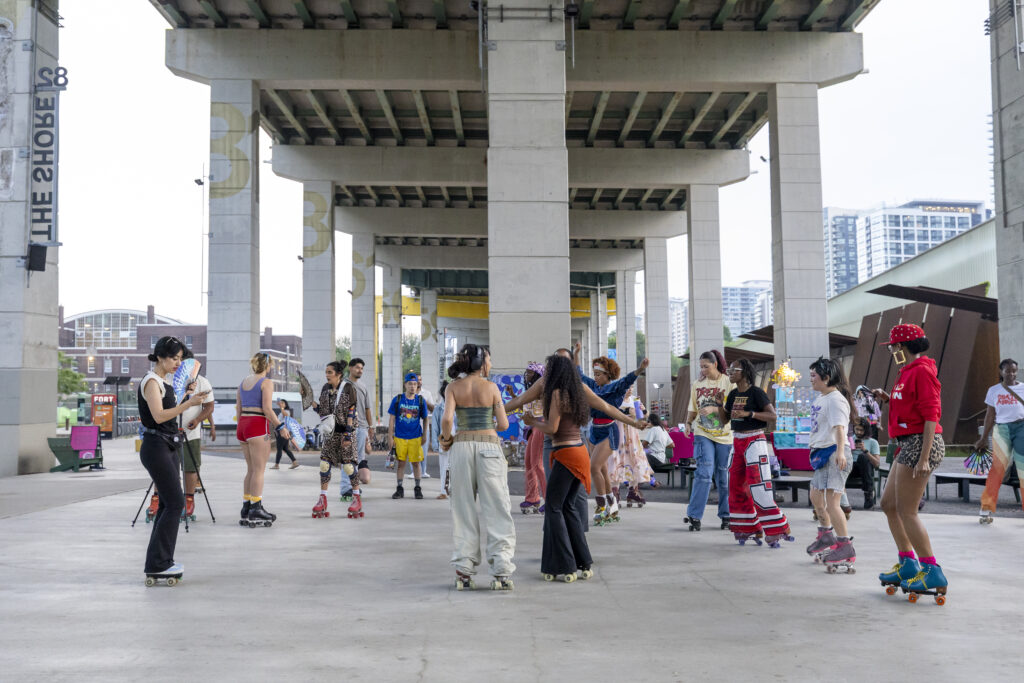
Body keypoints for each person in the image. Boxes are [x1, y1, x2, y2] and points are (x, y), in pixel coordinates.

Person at [504, 346, 645, 532]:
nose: (559, 365)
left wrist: (633, 422)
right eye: (557, 360)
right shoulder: (550, 385)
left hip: (571, 446)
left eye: (564, 361)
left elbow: (607, 407)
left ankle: (579, 531)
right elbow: (519, 401)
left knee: (564, 499)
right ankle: (579, 542)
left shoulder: (571, 388)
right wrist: (494, 411)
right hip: (567, 444)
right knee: (565, 499)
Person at [872, 324, 948, 600]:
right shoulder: (906, 373)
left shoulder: (923, 372)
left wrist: (924, 457)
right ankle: (907, 563)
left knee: (907, 510)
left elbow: (931, 416)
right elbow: (911, 407)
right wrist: (888, 398)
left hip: (920, 444)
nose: (892, 351)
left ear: (903, 347)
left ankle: (931, 570)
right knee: (888, 505)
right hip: (907, 443)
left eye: (893, 346)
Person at [440, 344, 515, 590]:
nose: (490, 365)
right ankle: (502, 569)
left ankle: (464, 568)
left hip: (461, 447)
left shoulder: (453, 387)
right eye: (489, 361)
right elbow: (503, 425)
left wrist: (445, 438)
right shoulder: (491, 387)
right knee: (497, 506)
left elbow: (448, 418)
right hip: (489, 448)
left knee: (462, 508)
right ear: (481, 363)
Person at [138, 336, 209, 582]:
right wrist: (189, 403)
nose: (178, 363)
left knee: (170, 504)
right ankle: (158, 562)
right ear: (160, 356)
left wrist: (184, 397)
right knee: (175, 503)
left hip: (167, 444)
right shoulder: (151, 381)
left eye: (180, 358)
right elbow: (158, 416)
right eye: (173, 358)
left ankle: (159, 561)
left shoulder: (164, 381)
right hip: (156, 445)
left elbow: (168, 410)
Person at [522, 354, 594, 583]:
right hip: (580, 454)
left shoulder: (556, 393)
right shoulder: (576, 393)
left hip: (566, 456)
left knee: (553, 507)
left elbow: (552, 428)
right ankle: (584, 563)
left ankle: (565, 564)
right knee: (569, 507)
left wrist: (532, 421)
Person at [717, 359, 792, 547]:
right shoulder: (733, 394)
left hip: (755, 441)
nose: (730, 373)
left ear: (745, 372)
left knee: (759, 485)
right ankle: (747, 528)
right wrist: (719, 404)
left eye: (734, 370)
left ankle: (776, 530)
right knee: (734, 484)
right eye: (729, 370)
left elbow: (773, 416)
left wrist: (750, 414)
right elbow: (724, 420)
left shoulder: (757, 393)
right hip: (738, 441)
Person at [803, 357, 857, 570]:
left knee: (832, 503)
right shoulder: (820, 399)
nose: (811, 380)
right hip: (821, 454)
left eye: (814, 376)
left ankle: (845, 546)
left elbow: (839, 427)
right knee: (815, 496)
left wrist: (841, 453)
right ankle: (826, 535)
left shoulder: (835, 399)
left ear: (826, 377)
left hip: (835, 453)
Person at [585, 355, 649, 526]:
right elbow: (578, 376)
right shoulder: (592, 387)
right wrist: (574, 357)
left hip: (613, 431)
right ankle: (612, 504)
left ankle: (601, 505)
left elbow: (627, 381)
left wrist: (640, 369)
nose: (596, 377)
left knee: (594, 466)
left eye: (599, 374)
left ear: (608, 375)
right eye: (595, 374)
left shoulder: (619, 391)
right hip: (595, 431)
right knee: (604, 470)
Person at [682, 349, 733, 531]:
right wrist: (688, 423)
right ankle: (694, 515)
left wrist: (713, 409)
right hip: (702, 432)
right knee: (703, 473)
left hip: (724, 435)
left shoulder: (728, 382)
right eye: (701, 366)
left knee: (723, 477)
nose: (703, 369)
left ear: (716, 364)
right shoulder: (697, 384)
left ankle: (726, 515)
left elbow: (732, 409)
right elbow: (693, 406)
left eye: (706, 366)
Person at [236, 352, 289, 527]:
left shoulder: (243, 383)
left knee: (250, 470)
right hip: (257, 425)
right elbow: (267, 408)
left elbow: (239, 407)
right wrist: (280, 427)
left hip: (243, 425)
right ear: (268, 366)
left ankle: (246, 507)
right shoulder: (266, 383)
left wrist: (240, 429)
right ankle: (256, 508)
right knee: (259, 470)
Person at [311, 361, 363, 518]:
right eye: (326, 372)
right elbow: (323, 413)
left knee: (348, 467)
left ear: (338, 374)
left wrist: (347, 433)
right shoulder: (325, 389)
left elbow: (351, 412)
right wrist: (310, 402)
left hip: (346, 432)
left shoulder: (348, 389)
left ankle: (356, 497)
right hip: (330, 434)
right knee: (324, 464)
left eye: (329, 372)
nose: (326, 375)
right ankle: (322, 498)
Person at [975, 358, 1024, 524]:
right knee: (997, 468)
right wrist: (983, 438)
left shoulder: (1023, 387)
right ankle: (986, 508)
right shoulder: (994, 390)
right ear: (1000, 372)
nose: (1011, 374)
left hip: (1021, 428)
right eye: (1007, 371)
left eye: (1014, 371)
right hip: (1002, 429)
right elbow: (990, 415)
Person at [178, 347, 215, 521]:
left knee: (191, 468)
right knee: (165, 467)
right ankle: (157, 500)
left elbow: (209, 406)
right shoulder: (169, 379)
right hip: (168, 431)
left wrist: (198, 420)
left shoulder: (202, 382)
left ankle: (189, 500)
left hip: (191, 433)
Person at [388, 372, 430, 499]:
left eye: (415, 384)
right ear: (405, 384)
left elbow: (426, 418)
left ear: (417, 385)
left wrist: (425, 435)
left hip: (415, 437)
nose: (412, 386)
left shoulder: (420, 400)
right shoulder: (398, 399)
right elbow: (391, 419)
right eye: (410, 384)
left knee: (416, 463)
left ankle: (417, 488)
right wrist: (390, 436)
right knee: (401, 463)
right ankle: (399, 488)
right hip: (400, 437)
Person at [610, 388, 654, 508]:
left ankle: (633, 491)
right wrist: (626, 411)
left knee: (635, 460)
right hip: (618, 433)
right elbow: (610, 412)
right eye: (626, 387)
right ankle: (615, 493)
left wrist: (643, 410)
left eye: (630, 387)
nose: (629, 390)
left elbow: (644, 416)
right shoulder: (614, 398)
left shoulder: (634, 399)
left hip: (632, 435)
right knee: (617, 461)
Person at [338, 358, 374, 501]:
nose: (360, 370)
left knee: (357, 459)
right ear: (351, 368)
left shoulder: (364, 387)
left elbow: (367, 409)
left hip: (361, 428)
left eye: (362, 368)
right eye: (358, 367)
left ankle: (353, 488)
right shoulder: (343, 385)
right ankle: (346, 488)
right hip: (347, 427)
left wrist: (371, 427)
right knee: (347, 457)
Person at [519, 363, 547, 513]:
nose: (527, 375)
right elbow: (524, 405)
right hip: (531, 427)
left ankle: (549, 499)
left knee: (538, 464)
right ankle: (532, 498)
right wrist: (512, 396)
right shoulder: (530, 390)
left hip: (540, 425)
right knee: (529, 462)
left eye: (530, 373)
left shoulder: (541, 390)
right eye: (527, 373)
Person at [849, 418, 881, 509]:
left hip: (865, 469)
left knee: (863, 457)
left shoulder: (873, 442)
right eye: (857, 429)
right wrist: (850, 450)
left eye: (861, 430)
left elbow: (877, 464)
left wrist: (865, 451)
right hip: (851, 468)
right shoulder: (849, 440)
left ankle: (868, 494)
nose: (858, 432)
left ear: (866, 430)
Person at [433, 381, 455, 499]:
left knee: (457, 466)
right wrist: (436, 444)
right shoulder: (439, 409)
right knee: (444, 467)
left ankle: (455, 490)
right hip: (444, 441)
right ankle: (444, 491)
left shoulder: (458, 407)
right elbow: (435, 428)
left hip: (457, 440)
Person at [416, 375, 435, 479]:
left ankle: (423, 471)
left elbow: (433, 409)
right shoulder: (408, 394)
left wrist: (425, 401)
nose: (419, 382)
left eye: (420, 380)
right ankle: (414, 471)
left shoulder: (427, 393)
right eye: (416, 380)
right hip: (412, 427)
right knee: (413, 450)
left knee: (424, 451)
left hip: (424, 426)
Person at [270, 398, 298, 470]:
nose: (281, 404)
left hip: (282, 432)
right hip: (281, 432)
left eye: (283, 403)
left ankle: (276, 465)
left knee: (279, 448)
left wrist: (281, 407)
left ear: (285, 405)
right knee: (285, 449)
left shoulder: (287, 411)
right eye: (280, 403)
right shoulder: (281, 412)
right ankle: (294, 462)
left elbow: (285, 415)